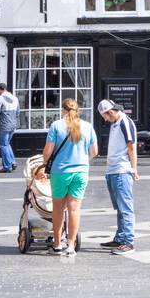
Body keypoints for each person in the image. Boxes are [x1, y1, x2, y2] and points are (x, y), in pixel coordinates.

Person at [40, 98, 98, 256]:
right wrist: (83, 161)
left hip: (60, 172)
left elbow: (48, 151)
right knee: (74, 209)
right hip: (81, 172)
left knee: (58, 208)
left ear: (63, 110)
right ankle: (71, 246)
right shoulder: (87, 126)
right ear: (77, 110)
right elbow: (94, 151)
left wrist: (45, 163)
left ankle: (57, 244)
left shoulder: (56, 126)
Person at [97, 100, 139, 254]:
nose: (105, 120)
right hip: (113, 170)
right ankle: (121, 238)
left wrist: (134, 169)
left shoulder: (125, 123)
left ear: (110, 112)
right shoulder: (116, 123)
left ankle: (128, 242)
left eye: (105, 117)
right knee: (120, 207)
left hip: (121, 170)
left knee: (125, 207)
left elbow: (131, 146)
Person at [0, 84, 19, 173]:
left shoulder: (0, 99)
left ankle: (7, 166)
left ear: (1, 89)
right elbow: (18, 112)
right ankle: (12, 162)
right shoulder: (15, 98)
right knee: (7, 143)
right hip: (13, 124)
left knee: (3, 145)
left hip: (4, 125)